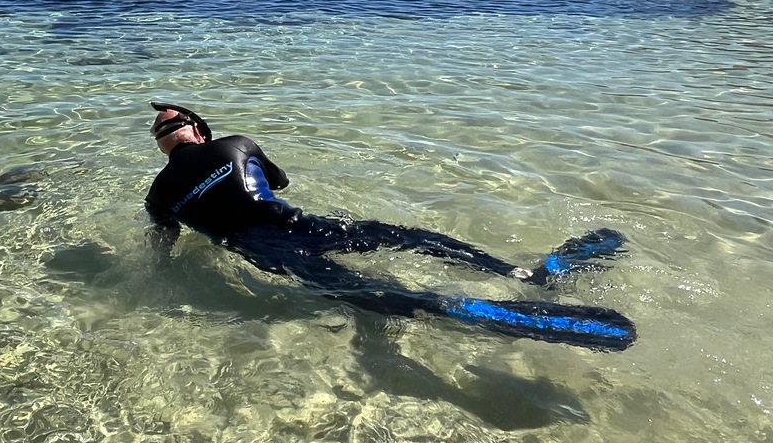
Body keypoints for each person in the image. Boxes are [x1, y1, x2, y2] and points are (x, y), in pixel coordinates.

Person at [144, 103, 630, 334]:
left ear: (167, 143)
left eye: (159, 125)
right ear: (198, 129)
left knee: (369, 296)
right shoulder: (235, 144)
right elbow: (281, 181)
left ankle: (466, 311)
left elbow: (163, 243)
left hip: (266, 251)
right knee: (408, 237)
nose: (160, 128)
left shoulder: (159, 194)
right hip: (301, 225)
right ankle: (523, 275)